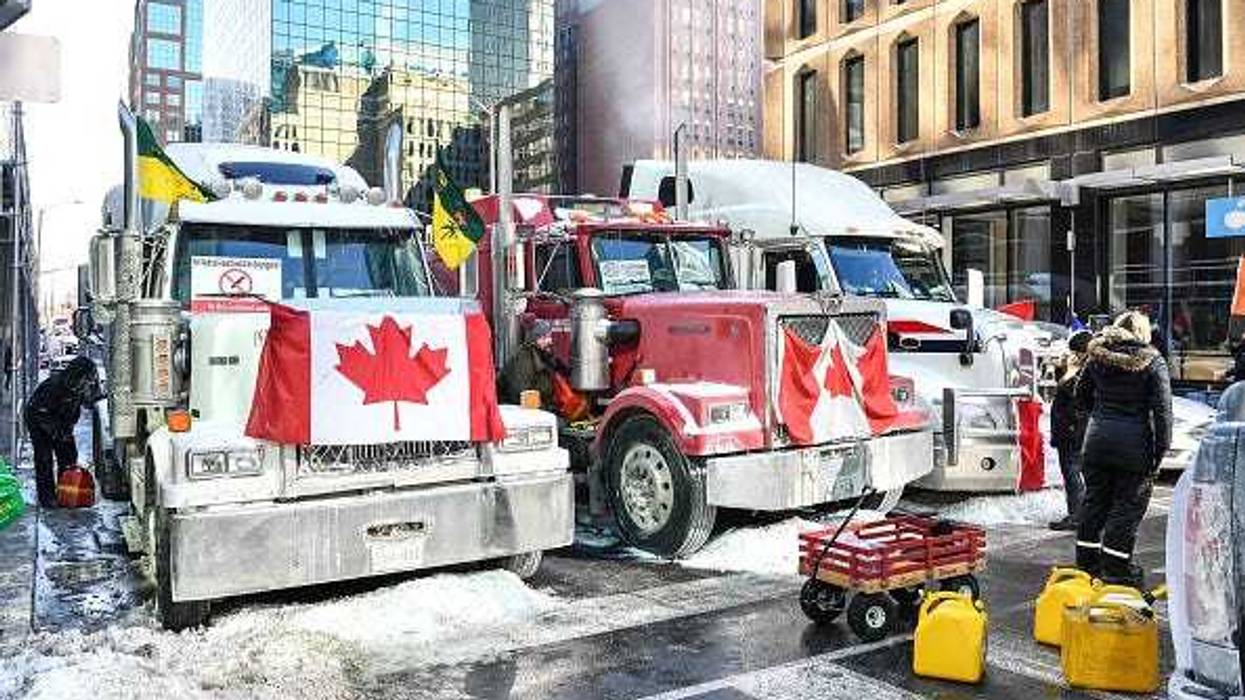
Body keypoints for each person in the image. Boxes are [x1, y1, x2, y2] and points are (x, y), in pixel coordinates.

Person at [1074, 311, 1172, 586]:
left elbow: (1080, 396)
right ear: (1143, 333)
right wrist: (1159, 452)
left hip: (1096, 443)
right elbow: (1163, 413)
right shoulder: (1153, 362)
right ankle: (1117, 572)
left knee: (1094, 504)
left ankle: (1086, 568)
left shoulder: (1097, 356)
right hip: (1134, 447)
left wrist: (1099, 419)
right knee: (1126, 510)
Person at [23, 356, 102, 508]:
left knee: (69, 456)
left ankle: (66, 489)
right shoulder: (54, 386)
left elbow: (90, 402)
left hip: (62, 422)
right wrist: (56, 433)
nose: (88, 381)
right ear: (77, 374)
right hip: (39, 420)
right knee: (44, 459)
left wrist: (96, 394)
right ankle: (47, 498)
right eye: (86, 377)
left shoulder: (80, 387)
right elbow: (40, 413)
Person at [1048, 329, 1092, 531]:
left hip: (1073, 431)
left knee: (1072, 473)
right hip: (1075, 430)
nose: (1069, 355)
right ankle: (1081, 514)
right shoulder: (1087, 370)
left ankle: (1076, 515)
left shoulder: (1083, 373)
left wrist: (1067, 373)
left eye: (1073, 351)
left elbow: (1073, 399)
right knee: (1076, 474)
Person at [498, 320, 559, 409]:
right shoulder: (523, 360)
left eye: (549, 336)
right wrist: (546, 408)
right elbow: (521, 394)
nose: (549, 341)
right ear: (534, 339)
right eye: (544, 337)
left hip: (536, 407)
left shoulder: (544, 356)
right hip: (517, 410)